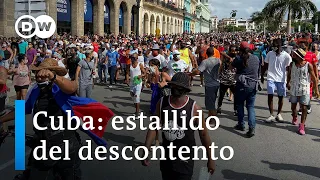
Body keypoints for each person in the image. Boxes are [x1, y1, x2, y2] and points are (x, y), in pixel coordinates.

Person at [142, 72, 215, 180]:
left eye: (179, 88)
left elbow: (204, 135)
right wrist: (146, 148)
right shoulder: (162, 103)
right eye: (174, 86)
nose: (176, 89)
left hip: (185, 159)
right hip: (166, 157)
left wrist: (211, 159)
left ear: (185, 90)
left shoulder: (194, 109)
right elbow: (154, 126)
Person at [287, 48, 319, 135]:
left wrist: (316, 90)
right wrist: (288, 82)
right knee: (293, 107)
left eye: (295, 55)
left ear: (299, 57)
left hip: (305, 88)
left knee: (304, 107)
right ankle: (294, 117)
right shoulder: (291, 64)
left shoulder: (308, 65)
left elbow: (314, 79)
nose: (293, 56)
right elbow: (289, 74)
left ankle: (302, 125)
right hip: (294, 88)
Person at [231, 42, 260, 138]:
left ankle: (241, 124)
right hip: (253, 85)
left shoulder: (239, 59)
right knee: (250, 107)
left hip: (242, 85)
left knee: (240, 105)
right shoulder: (256, 58)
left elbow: (231, 66)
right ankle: (251, 128)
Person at [263, 38, 292, 123]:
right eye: (273, 46)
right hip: (271, 78)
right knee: (270, 96)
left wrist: (289, 81)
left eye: (275, 46)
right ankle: (271, 115)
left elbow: (289, 68)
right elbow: (265, 64)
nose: (273, 48)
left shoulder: (286, 56)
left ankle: (279, 114)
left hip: (281, 79)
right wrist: (261, 75)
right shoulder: (270, 53)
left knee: (280, 97)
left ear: (279, 46)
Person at [189, 47, 221, 121]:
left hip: (210, 84)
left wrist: (190, 74)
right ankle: (210, 116)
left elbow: (198, 72)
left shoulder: (205, 62)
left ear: (206, 53)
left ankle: (213, 119)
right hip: (216, 83)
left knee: (210, 103)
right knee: (212, 101)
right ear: (214, 53)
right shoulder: (218, 60)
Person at [217, 45, 237, 116]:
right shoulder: (225, 56)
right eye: (232, 51)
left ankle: (235, 110)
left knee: (236, 96)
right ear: (229, 51)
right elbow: (221, 52)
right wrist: (219, 74)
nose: (233, 52)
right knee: (221, 95)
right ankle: (219, 107)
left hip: (233, 80)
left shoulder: (237, 57)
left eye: (234, 50)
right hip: (224, 79)